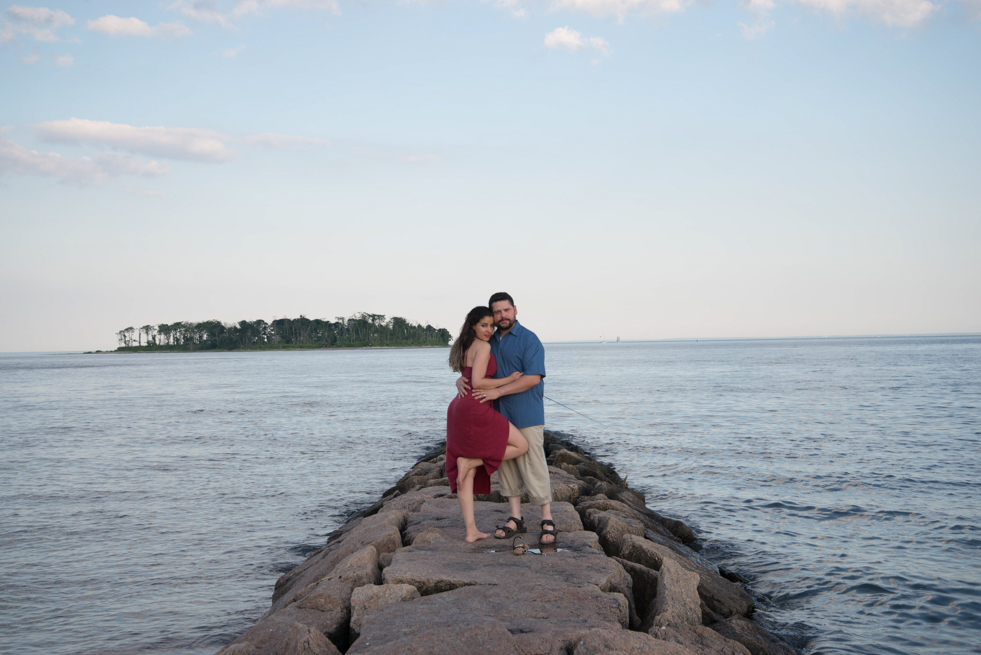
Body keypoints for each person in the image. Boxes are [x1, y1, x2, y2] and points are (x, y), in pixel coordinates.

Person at [457, 292, 555, 545]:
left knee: (533, 463)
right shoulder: (489, 339)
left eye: (506, 310)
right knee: (508, 467)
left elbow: (533, 377)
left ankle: (547, 518)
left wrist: (498, 390)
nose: (501, 316)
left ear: (515, 310)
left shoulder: (528, 339)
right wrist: (461, 379)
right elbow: (475, 371)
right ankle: (515, 518)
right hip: (497, 413)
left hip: (526, 411)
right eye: (497, 312)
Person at [446, 306, 530, 542]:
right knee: (521, 445)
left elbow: (467, 377)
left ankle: (471, 531)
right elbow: (479, 382)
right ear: (473, 325)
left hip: (459, 407)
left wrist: (457, 381)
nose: (488, 330)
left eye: (491, 326)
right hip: (476, 406)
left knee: (467, 473)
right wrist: (510, 380)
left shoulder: (465, 345)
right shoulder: (483, 346)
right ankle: (473, 460)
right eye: (484, 325)